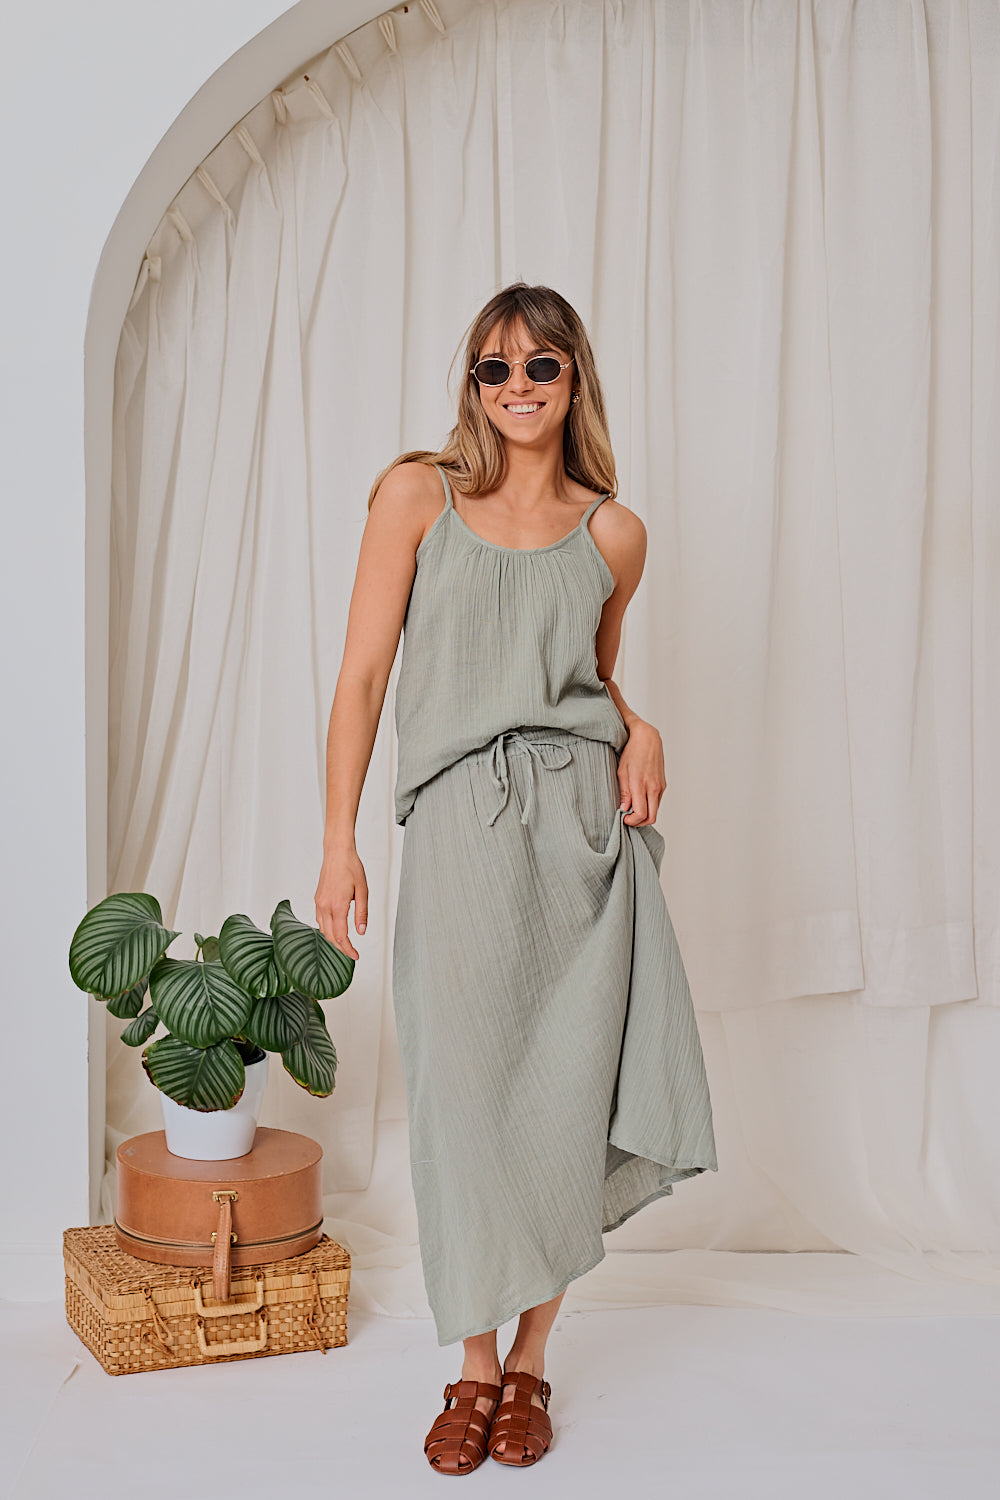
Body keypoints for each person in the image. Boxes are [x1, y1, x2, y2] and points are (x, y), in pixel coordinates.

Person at [314, 282, 717, 1473]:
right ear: (473, 384)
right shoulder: (415, 496)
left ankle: (530, 1362)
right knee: (462, 1097)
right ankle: (473, 1364)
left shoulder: (613, 534)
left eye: (541, 365)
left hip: (580, 836)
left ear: (573, 377)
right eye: (495, 367)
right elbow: (362, 678)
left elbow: (585, 676)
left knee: (563, 1096)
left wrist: (639, 726)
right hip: (457, 828)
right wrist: (337, 838)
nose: (518, 386)